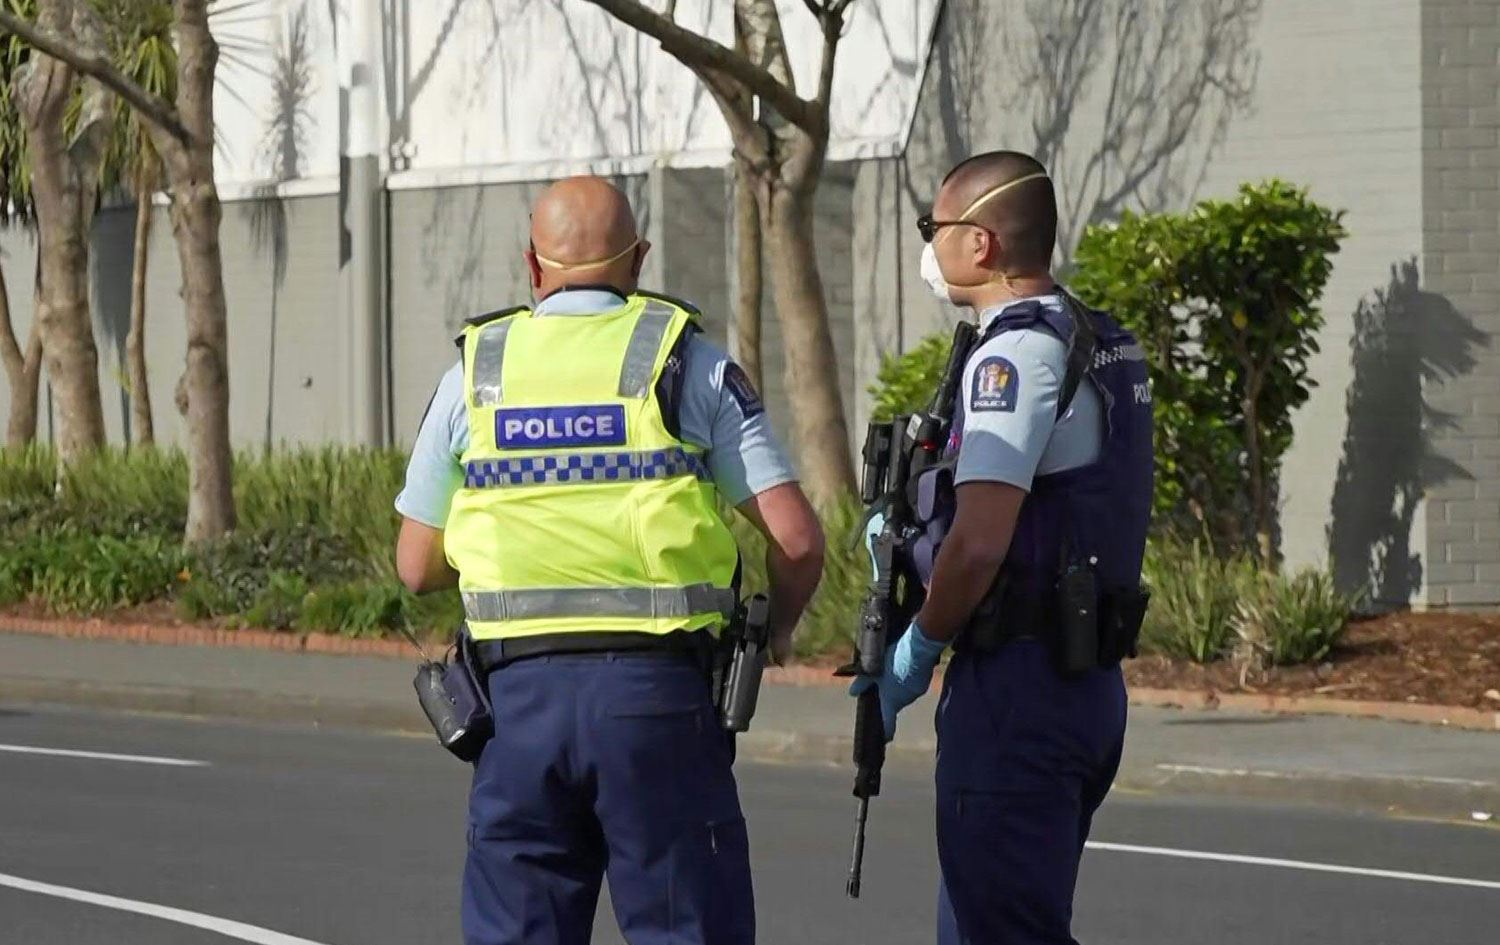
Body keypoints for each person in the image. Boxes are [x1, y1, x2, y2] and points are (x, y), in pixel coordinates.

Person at [394, 176, 825, 945]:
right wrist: (782, 629)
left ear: (533, 265)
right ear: (640, 258)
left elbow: (416, 564)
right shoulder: (688, 362)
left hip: (516, 709)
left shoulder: (476, 373)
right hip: (659, 704)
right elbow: (797, 539)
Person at [851, 151, 1154, 944]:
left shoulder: (1014, 356)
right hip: (1078, 681)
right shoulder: (1094, 336)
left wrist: (916, 652)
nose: (928, 244)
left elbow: (982, 542)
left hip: (1020, 691)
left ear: (980, 243)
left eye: (935, 227)